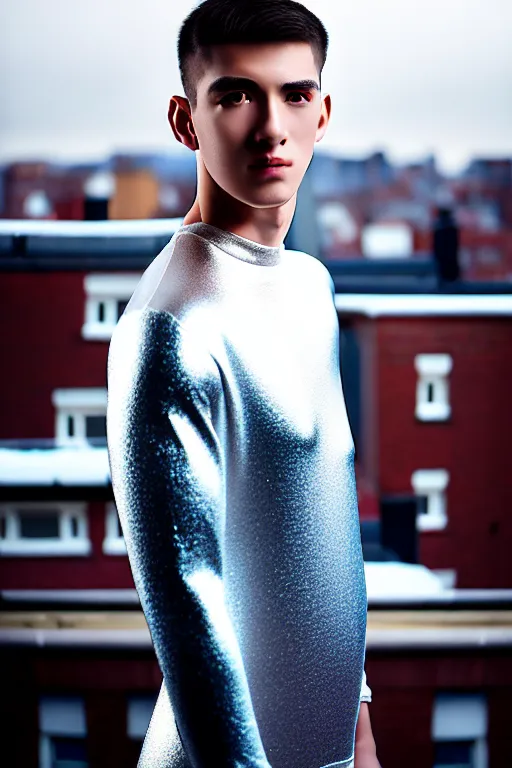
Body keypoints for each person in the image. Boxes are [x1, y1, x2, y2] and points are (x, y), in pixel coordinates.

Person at [106, 1, 380, 766]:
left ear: (323, 112)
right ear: (185, 120)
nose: (271, 127)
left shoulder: (310, 286)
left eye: (294, 94)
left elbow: (325, 523)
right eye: (234, 95)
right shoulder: (172, 325)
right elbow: (189, 608)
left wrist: (357, 727)